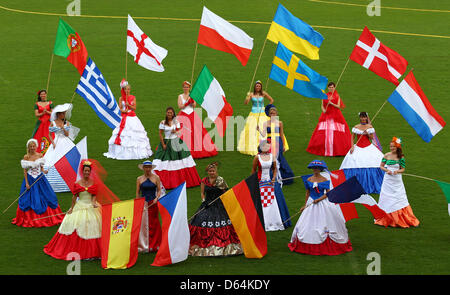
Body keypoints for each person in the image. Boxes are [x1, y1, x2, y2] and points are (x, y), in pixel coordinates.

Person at [288, 160, 352, 255]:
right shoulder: (309, 179)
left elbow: (328, 193)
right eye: (314, 168)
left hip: (322, 203)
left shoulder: (325, 180)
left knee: (324, 221)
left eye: (317, 169)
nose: (315, 170)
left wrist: (319, 199)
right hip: (311, 202)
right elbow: (307, 193)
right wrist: (305, 205)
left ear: (320, 169)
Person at [44, 160, 103, 260]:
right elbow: (74, 197)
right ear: (82, 171)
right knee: (76, 222)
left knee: (93, 223)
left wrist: (93, 203)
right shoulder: (77, 183)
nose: (87, 173)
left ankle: (94, 251)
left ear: (90, 172)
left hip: (90, 206)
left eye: (88, 171)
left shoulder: (93, 183)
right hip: (80, 205)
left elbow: (94, 196)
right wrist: (71, 208)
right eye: (85, 171)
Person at [189, 162, 243, 257]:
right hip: (207, 204)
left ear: (216, 171)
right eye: (210, 171)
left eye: (213, 171)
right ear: (207, 172)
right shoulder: (204, 181)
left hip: (219, 204)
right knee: (200, 218)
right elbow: (202, 193)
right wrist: (203, 200)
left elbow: (226, 192)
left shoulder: (220, 180)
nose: (212, 172)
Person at [12, 139, 64, 227]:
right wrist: (27, 183)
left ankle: (46, 217)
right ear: (28, 147)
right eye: (30, 146)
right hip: (30, 178)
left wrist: (44, 171)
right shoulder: (26, 157)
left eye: (33, 146)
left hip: (40, 178)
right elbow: (25, 171)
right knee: (28, 197)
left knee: (47, 195)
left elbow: (42, 168)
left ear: (36, 147)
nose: (32, 148)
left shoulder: (40, 155)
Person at [374, 137, 420, 228]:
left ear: (397, 147)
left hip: (397, 180)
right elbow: (381, 166)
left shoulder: (401, 157)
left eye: (393, 147)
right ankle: (387, 217)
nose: (392, 148)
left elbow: (403, 169)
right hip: (388, 180)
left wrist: (396, 171)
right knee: (386, 196)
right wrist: (386, 170)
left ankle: (402, 218)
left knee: (399, 197)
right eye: (391, 146)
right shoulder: (386, 155)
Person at [152, 107, 201, 189]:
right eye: (168, 112)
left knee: (180, 161)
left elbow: (179, 133)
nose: (169, 114)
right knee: (165, 161)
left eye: (171, 113)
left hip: (176, 142)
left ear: (173, 114)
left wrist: (175, 132)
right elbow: (160, 134)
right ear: (166, 113)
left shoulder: (176, 122)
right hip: (167, 142)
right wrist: (163, 144)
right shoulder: (162, 123)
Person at [104, 80, 153, 160]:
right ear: (123, 90)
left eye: (128, 89)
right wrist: (124, 111)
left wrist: (128, 105)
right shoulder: (121, 98)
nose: (127, 91)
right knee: (123, 133)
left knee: (134, 133)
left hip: (132, 117)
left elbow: (134, 108)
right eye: (126, 89)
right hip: (124, 117)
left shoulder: (133, 97)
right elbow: (120, 108)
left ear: (130, 90)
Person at [238, 81, 289, 156]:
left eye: (259, 86)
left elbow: (271, 100)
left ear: (261, 87)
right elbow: (246, 103)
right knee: (251, 129)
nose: (258, 87)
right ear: (255, 87)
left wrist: (267, 108)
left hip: (262, 113)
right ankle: (253, 146)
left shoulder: (264, 93)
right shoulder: (251, 94)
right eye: (257, 86)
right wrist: (247, 97)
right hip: (253, 113)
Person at [339, 112, 384, 194]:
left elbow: (371, 138)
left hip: (368, 146)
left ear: (366, 118)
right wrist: (352, 146)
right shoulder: (356, 127)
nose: (363, 119)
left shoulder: (370, 127)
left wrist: (367, 133)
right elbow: (352, 137)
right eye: (362, 117)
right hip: (358, 147)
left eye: (364, 117)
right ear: (360, 118)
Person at [252, 140, 290, 231]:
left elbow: (275, 169)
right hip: (260, 181)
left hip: (270, 182)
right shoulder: (257, 157)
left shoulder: (272, 156)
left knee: (274, 200)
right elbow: (253, 170)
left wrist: (273, 178)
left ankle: (276, 220)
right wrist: (253, 181)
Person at [306, 82, 352, 157]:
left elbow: (338, 106)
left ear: (334, 87)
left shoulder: (337, 96)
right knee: (323, 131)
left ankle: (338, 149)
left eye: (332, 87)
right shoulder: (325, 96)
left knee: (337, 131)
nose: (331, 88)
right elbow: (322, 104)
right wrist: (323, 109)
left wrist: (331, 103)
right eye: (330, 87)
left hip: (336, 115)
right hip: (326, 115)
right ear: (328, 88)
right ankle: (322, 147)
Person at [43, 103, 79, 192]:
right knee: (53, 159)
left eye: (64, 113)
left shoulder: (66, 123)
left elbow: (67, 135)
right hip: (56, 142)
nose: (64, 115)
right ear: (58, 114)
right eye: (62, 113)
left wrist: (63, 128)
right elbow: (49, 134)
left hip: (65, 142)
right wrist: (53, 143)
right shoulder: (53, 123)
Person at [177, 81, 218, 159]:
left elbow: (194, 105)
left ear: (189, 88)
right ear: (183, 88)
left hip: (192, 114)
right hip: (183, 115)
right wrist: (186, 103)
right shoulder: (180, 96)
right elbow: (180, 106)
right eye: (184, 87)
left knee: (197, 132)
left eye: (187, 87)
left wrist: (191, 101)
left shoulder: (192, 95)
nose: (186, 88)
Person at [257, 104, 294, 185]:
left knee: (279, 157)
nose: (273, 115)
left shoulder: (280, 123)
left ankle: (282, 176)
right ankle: (271, 175)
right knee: (271, 157)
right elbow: (263, 134)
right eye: (271, 113)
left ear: (276, 114)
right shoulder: (266, 123)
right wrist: (259, 129)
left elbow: (281, 134)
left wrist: (284, 145)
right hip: (269, 142)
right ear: (269, 114)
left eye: (274, 113)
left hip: (278, 142)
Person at [136, 160, 163, 253]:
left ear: (151, 168)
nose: (147, 169)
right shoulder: (139, 179)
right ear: (143, 168)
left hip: (153, 203)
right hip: (143, 203)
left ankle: (155, 243)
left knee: (154, 222)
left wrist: (157, 198)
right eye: (146, 167)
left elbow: (159, 190)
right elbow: (137, 192)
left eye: (149, 167)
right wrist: (138, 202)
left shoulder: (156, 178)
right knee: (143, 223)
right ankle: (144, 244)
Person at [31, 90, 54, 154]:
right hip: (41, 122)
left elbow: (53, 113)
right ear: (40, 95)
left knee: (49, 135)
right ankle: (39, 150)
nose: (43, 95)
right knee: (39, 136)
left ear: (46, 95)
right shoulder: (37, 104)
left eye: (44, 94)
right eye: (42, 94)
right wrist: (42, 113)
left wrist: (47, 112)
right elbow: (36, 114)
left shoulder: (50, 103)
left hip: (49, 123)